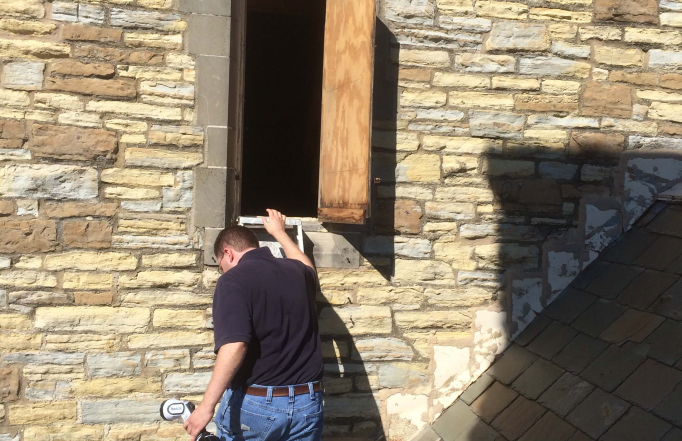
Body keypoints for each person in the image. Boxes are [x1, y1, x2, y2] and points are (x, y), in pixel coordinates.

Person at [184, 209, 324, 441]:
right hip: (308, 403)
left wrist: (206, 408)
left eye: (221, 265)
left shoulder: (233, 280)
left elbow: (235, 345)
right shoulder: (298, 272)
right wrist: (280, 233)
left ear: (227, 253)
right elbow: (307, 266)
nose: (223, 271)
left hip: (258, 404)